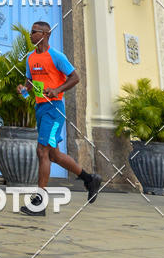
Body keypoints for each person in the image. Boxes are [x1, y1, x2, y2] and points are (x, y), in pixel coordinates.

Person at [16, 20, 101, 216]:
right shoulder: (30, 58)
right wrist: (24, 90)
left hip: (55, 111)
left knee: (42, 151)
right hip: (40, 109)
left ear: (45, 34)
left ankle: (39, 202)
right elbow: (30, 81)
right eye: (31, 32)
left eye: (34, 32)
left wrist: (57, 90)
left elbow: (75, 77)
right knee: (53, 155)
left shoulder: (57, 56)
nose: (31, 35)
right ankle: (90, 179)